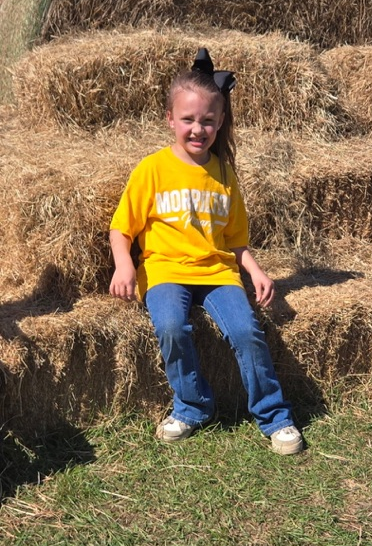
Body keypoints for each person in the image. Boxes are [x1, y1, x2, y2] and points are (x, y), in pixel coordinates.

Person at [109, 48, 303, 454]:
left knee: (247, 332)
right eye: (188, 120)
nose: (198, 129)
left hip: (216, 273)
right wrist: (124, 266)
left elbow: (235, 242)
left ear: (219, 124)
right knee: (171, 328)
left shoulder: (224, 174)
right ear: (170, 120)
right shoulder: (152, 169)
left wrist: (256, 271)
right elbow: (121, 228)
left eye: (208, 121)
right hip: (164, 271)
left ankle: (274, 416)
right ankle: (192, 406)